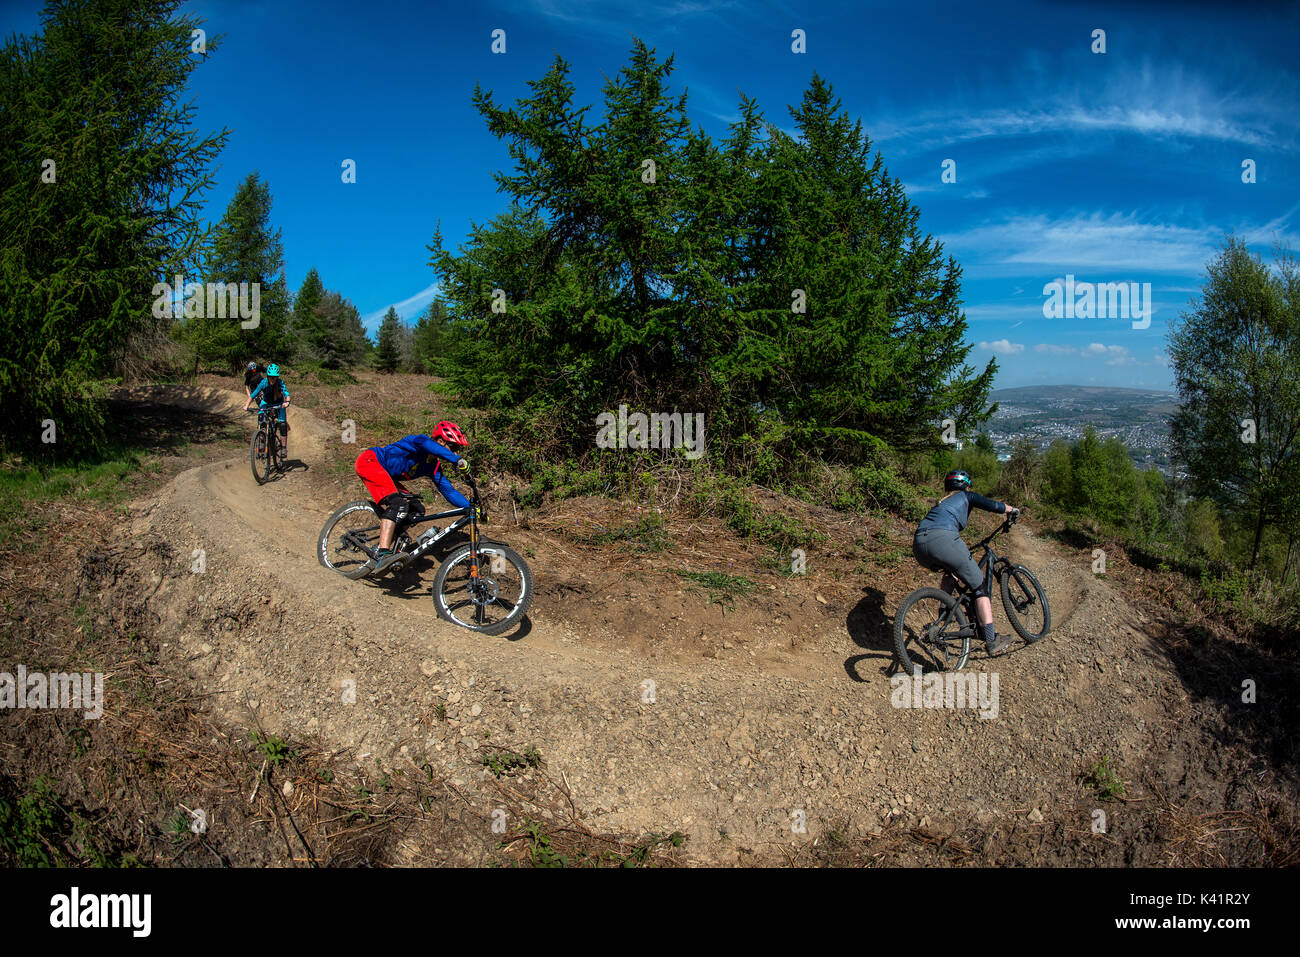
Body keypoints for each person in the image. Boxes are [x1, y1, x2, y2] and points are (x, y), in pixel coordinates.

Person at [912, 469, 1021, 656]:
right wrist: (1011, 509)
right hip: (943, 539)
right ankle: (991, 639)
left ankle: (943, 618)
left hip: (919, 545)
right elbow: (992, 505)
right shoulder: (966, 496)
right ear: (966, 485)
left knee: (950, 573)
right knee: (979, 586)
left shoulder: (941, 503)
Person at [354, 420, 472, 572]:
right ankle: (383, 553)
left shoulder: (433, 466)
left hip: (388, 476)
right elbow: (431, 446)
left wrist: (471, 507)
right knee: (398, 505)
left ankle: (386, 544)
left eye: (457, 450)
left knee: (417, 509)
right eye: (453, 447)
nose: (455, 452)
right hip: (371, 462)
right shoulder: (420, 441)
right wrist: (457, 460)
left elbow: (449, 491)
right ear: (441, 441)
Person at [247, 362, 290, 457]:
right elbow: (253, 394)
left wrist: (287, 402)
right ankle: (262, 438)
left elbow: (286, 394)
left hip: (279, 404)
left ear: (277, 377)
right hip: (266, 403)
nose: (272, 379)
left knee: (282, 424)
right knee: (261, 417)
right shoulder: (264, 382)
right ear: (267, 376)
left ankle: (283, 448)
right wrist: (246, 405)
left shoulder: (280, 383)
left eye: (274, 377)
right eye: (270, 376)